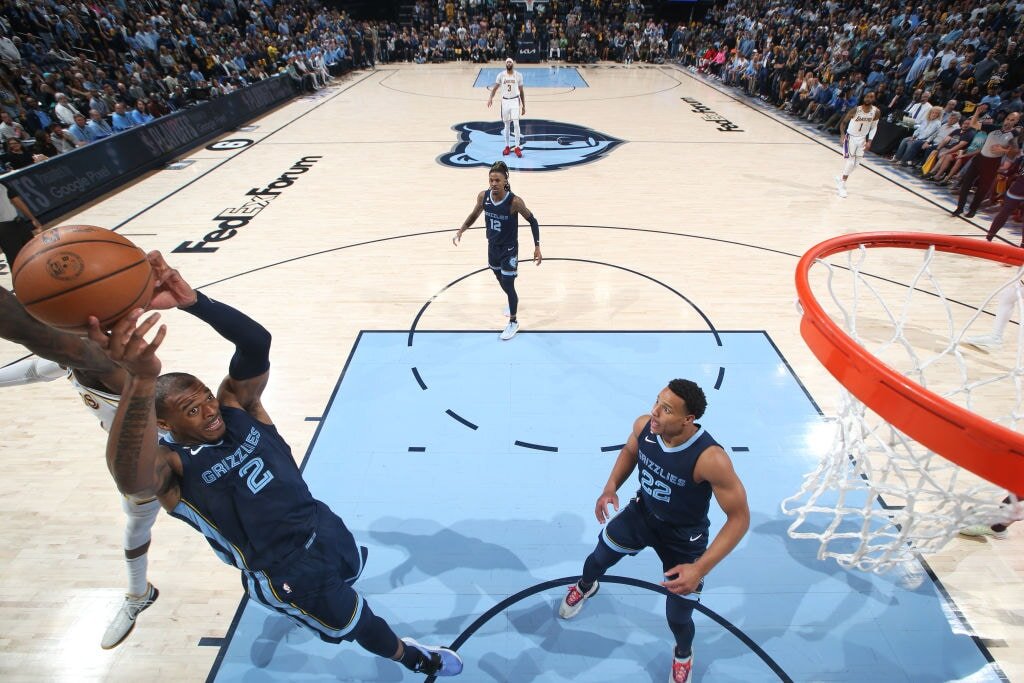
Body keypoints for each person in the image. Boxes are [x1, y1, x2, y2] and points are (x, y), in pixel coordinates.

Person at [86, 254, 463, 677]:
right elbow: (127, 475)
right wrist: (138, 380)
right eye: (191, 410)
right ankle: (415, 657)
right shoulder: (171, 467)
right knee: (361, 625)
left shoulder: (236, 407)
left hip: (320, 525)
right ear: (166, 425)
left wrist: (196, 303)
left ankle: (321, 612)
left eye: (206, 396)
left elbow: (255, 343)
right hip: (283, 569)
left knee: (350, 579)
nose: (208, 410)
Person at [0, 284, 161, 649]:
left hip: (160, 460)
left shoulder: (113, 370)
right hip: (130, 457)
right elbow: (37, 370)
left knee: (143, 525)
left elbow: (45, 341)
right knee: (136, 529)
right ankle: (140, 594)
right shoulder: (74, 360)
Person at [557, 380, 749, 683]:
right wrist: (610, 488)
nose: (654, 412)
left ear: (688, 419)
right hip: (642, 515)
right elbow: (631, 451)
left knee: (678, 616)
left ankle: (683, 653)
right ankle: (585, 586)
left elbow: (739, 519)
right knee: (597, 559)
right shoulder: (646, 426)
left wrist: (699, 569)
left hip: (684, 539)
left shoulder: (711, 459)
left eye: (666, 409)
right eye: (657, 401)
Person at [452, 161, 542, 341]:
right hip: (492, 247)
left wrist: (537, 246)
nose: (493, 183)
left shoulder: (514, 201)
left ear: (505, 180)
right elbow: (474, 215)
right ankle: (512, 300)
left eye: (497, 180)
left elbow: (533, 221)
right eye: (491, 180)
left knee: (508, 283)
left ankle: (513, 321)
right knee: (499, 278)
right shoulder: (483, 197)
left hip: (509, 249)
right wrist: (462, 229)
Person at [953, 106, 1021, 218]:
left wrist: (1003, 150)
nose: (1009, 121)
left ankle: (972, 210)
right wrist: (977, 112)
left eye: (1012, 120)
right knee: (966, 184)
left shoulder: (1015, 134)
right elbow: (973, 124)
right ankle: (959, 208)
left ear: (1016, 122)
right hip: (980, 158)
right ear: (1005, 119)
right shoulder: (993, 128)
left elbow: (1016, 152)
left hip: (993, 162)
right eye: (1008, 119)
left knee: (982, 188)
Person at [835, 91, 880, 199]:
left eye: (871, 97)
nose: (869, 98)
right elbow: (843, 123)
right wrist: (842, 135)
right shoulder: (856, 110)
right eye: (867, 96)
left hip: (862, 139)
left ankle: (841, 179)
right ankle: (842, 185)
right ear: (863, 98)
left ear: (874, 99)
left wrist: (870, 141)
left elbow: (874, 127)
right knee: (850, 162)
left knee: (857, 164)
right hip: (851, 137)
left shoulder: (876, 111)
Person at [487, 57, 525, 157]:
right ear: (505, 64)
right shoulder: (501, 75)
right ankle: (507, 146)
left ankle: (517, 147)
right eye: (507, 62)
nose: (508, 63)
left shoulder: (518, 75)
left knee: (516, 124)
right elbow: (495, 88)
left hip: (515, 101)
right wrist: (490, 98)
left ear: (512, 64)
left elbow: (521, 92)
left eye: (510, 62)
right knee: (507, 125)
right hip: (505, 102)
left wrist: (524, 106)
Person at [0, 180, 43, 267]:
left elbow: (16, 200)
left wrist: (32, 218)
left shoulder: (2, 183)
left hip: (19, 222)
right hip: (3, 229)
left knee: (35, 252)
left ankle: (42, 277)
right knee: (16, 261)